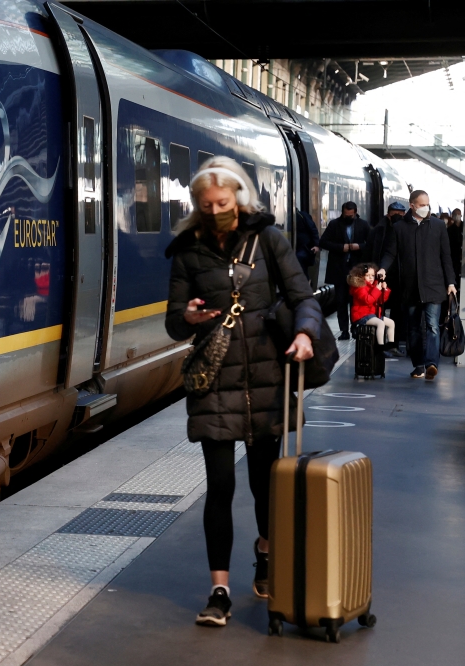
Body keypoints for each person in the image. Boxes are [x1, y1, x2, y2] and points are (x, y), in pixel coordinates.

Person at [165, 157, 321, 627]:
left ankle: (266, 552)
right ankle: (219, 591)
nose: (215, 210)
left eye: (222, 201)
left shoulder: (269, 240)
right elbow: (173, 322)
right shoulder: (187, 251)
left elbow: (303, 297)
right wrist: (188, 317)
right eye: (206, 204)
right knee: (220, 486)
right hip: (215, 381)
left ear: (239, 196)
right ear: (196, 204)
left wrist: (306, 334)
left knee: (262, 484)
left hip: (267, 378)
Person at [379, 190, 457, 380]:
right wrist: (382, 269)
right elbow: (391, 253)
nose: (426, 208)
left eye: (427, 204)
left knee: (432, 325)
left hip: (434, 285)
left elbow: (446, 257)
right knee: (413, 328)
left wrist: (451, 282)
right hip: (410, 287)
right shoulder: (399, 228)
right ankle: (418, 365)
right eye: (422, 205)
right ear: (412, 205)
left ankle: (431, 363)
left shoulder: (438, 226)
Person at [319, 202, 371, 340]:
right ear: (342, 213)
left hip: (356, 270)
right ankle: (344, 331)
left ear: (355, 213)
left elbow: (371, 243)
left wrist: (359, 246)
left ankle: (355, 327)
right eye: (346, 215)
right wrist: (341, 247)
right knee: (341, 301)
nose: (348, 217)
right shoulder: (334, 224)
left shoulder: (363, 225)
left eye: (351, 215)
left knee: (356, 301)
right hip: (339, 270)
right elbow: (323, 241)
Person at [367, 202, 408, 355]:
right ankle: (379, 343)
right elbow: (370, 252)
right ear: (388, 214)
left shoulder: (405, 230)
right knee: (379, 310)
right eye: (395, 213)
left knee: (398, 312)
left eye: (400, 213)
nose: (398, 216)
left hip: (400, 278)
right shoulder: (378, 230)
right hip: (382, 277)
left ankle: (393, 343)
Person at [348, 263, 395, 347]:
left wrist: (385, 290)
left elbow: (381, 301)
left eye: (372, 275)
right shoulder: (359, 287)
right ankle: (380, 346)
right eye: (367, 275)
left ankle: (391, 345)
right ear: (361, 276)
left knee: (391, 323)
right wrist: (377, 289)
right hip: (362, 315)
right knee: (381, 323)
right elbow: (368, 300)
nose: (370, 278)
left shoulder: (374, 286)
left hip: (373, 314)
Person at [294, 208, 320, 283]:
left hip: (305, 247)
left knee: (299, 259)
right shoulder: (289, 217)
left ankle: (305, 282)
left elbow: (313, 230)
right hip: (298, 247)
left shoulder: (302, 215)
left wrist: (316, 245)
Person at [447, 208, 463, 283]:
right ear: (452, 216)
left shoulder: (463, 227)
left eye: (459, 214)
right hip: (454, 258)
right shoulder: (449, 230)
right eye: (456, 215)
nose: (458, 216)